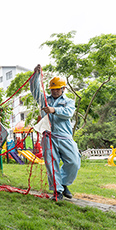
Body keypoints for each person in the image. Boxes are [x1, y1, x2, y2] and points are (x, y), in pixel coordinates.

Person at [29, 64, 81, 201]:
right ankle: (57, 192)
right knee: (51, 164)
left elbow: (69, 113)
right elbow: (34, 90)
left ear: (63, 89)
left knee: (74, 162)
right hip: (48, 136)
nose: (55, 91)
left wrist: (54, 110)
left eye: (58, 89)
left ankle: (63, 183)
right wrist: (36, 75)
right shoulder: (44, 99)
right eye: (53, 89)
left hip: (65, 136)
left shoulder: (69, 101)